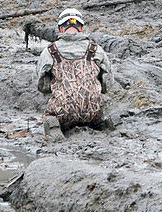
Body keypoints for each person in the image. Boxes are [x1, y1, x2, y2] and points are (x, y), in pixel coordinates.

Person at [35, 8, 115, 138]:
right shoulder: (96, 49)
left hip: (62, 112)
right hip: (93, 111)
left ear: (61, 29)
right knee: (101, 111)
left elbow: (41, 85)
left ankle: (54, 125)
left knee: (49, 116)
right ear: (81, 28)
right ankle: (104, 124)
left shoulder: (50, 51)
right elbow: (108, 84)